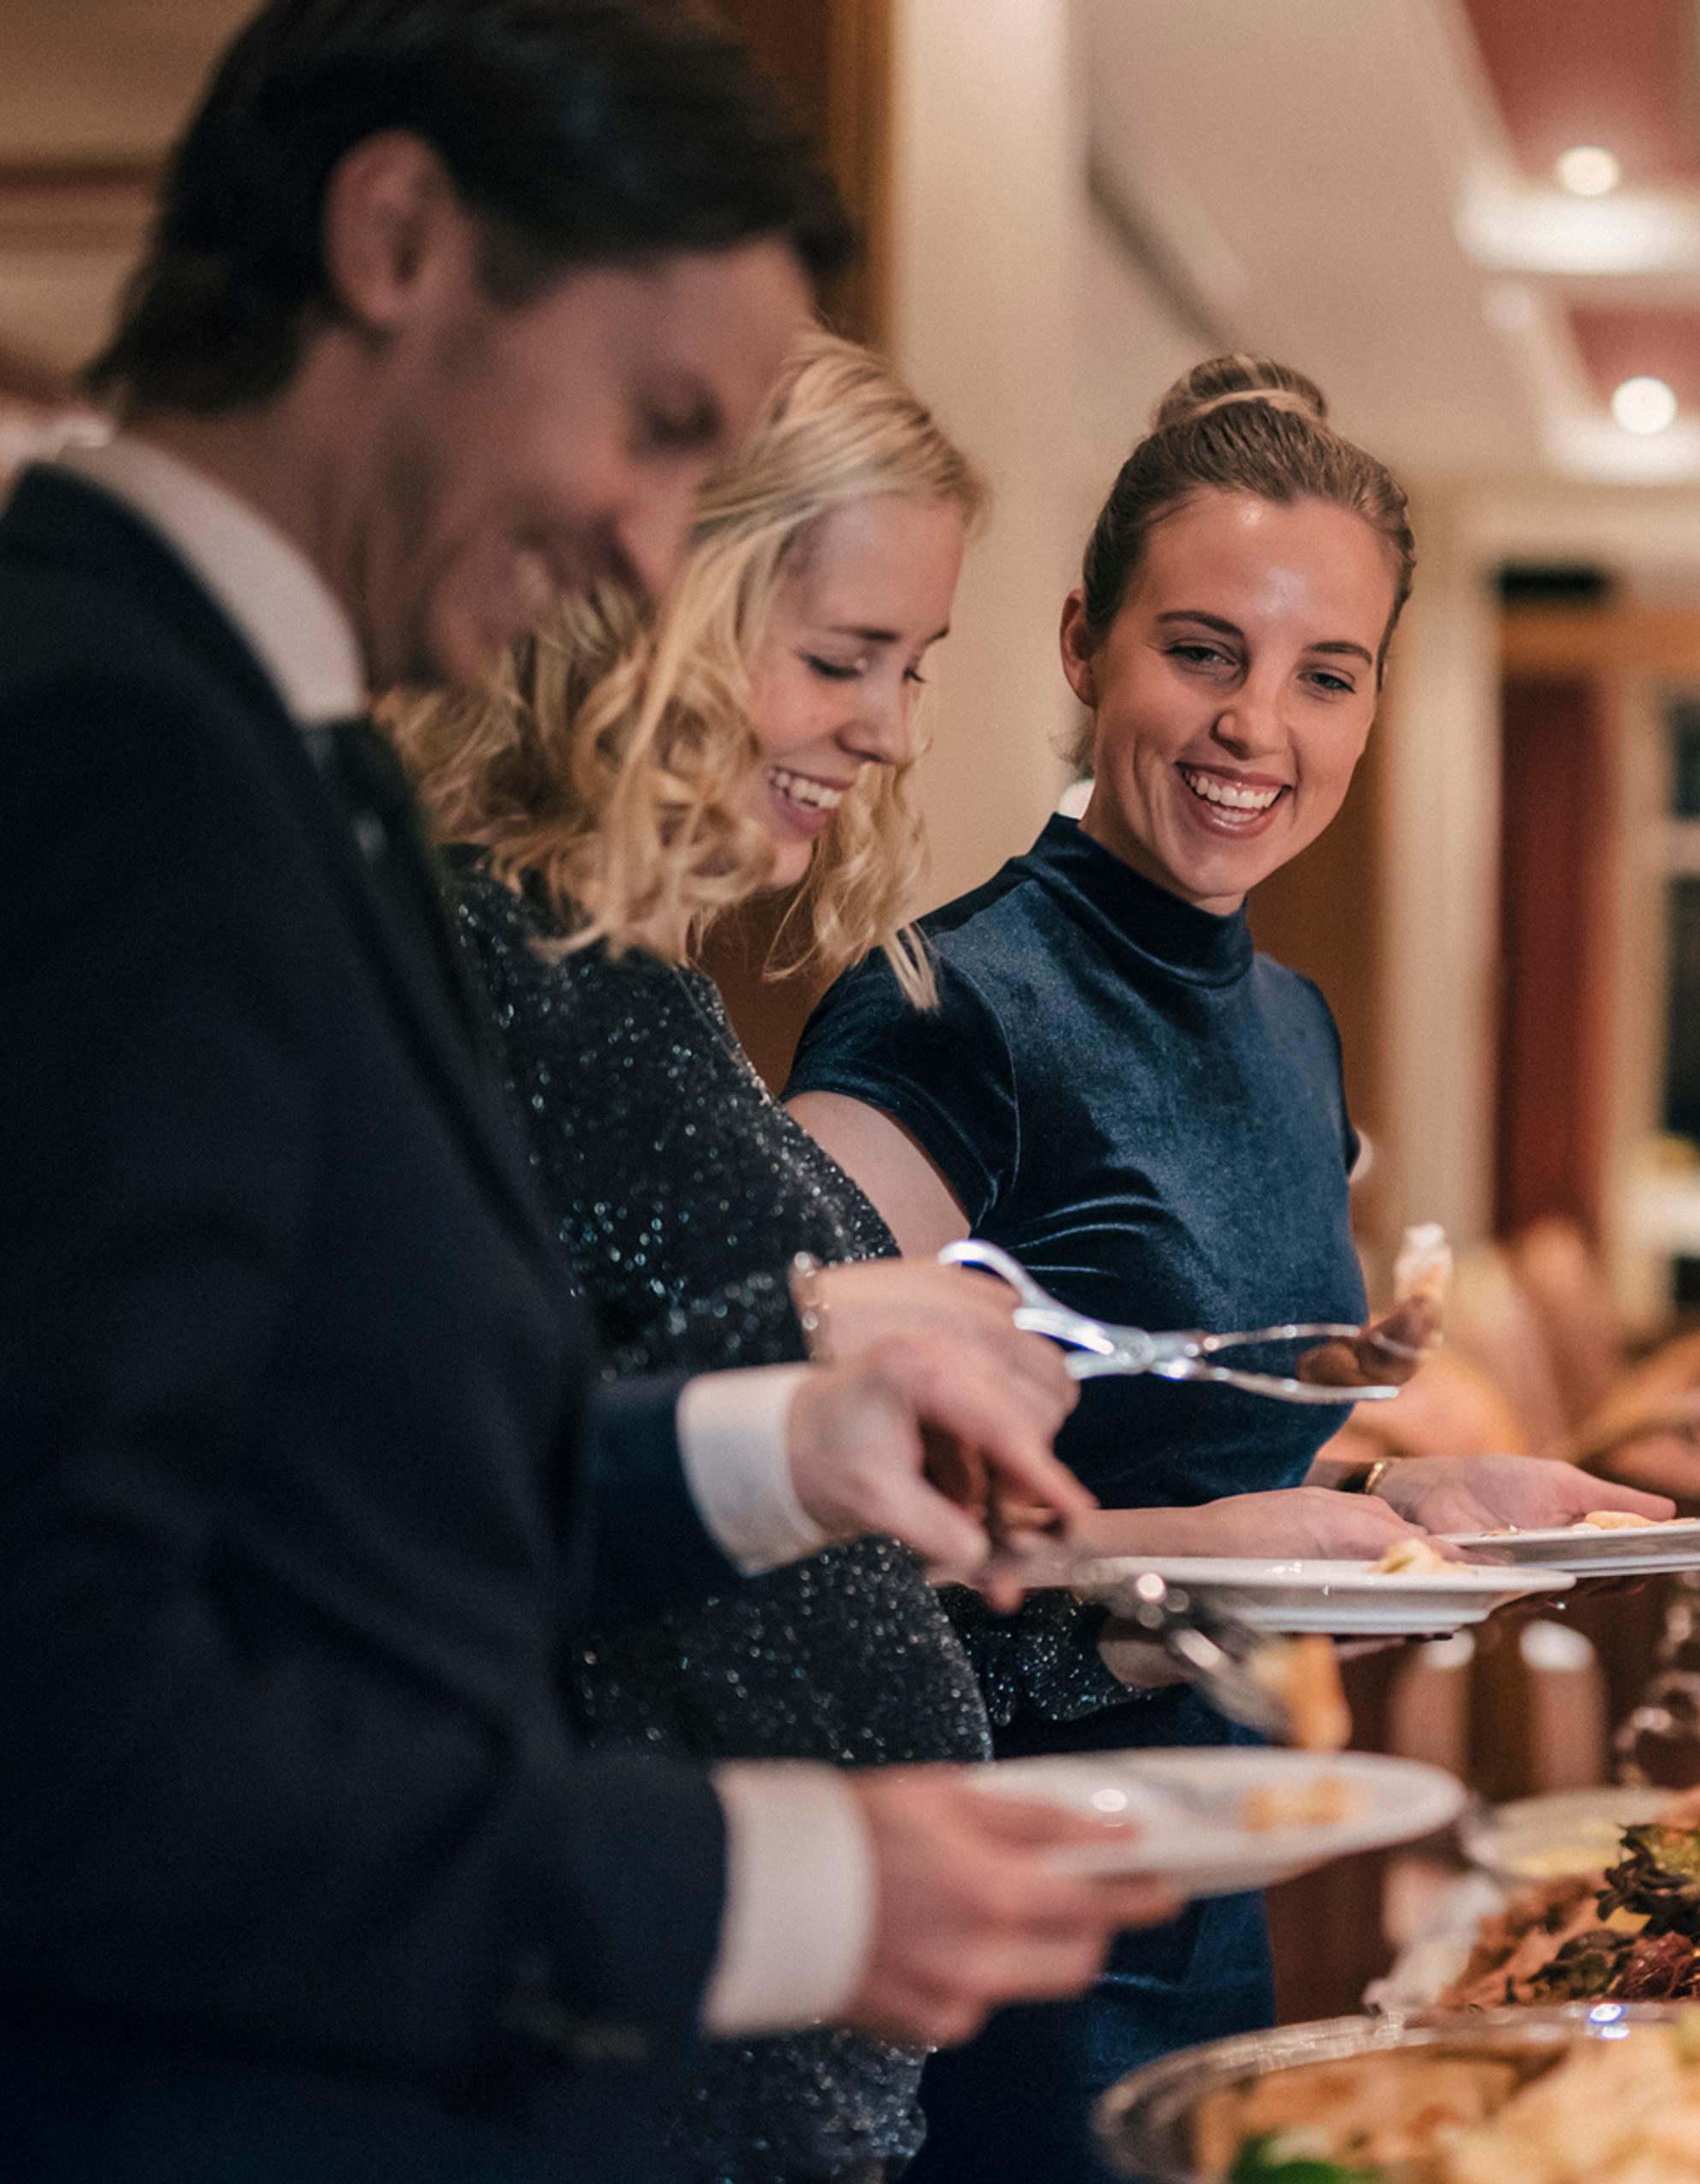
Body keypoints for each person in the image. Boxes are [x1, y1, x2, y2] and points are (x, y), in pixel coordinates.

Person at [0, 8, 1168, 2180]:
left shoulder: (279, 765)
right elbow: (41, 1735)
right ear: (395, 238)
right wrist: (781, 1888)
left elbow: (342, 1493)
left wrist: (773, 1441)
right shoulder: (85, 778)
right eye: (658, 426)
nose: (644, 544)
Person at [786, 354, 1669, 2181]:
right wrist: (1161, 1578)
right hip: (995, 1913)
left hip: (1223, 1867)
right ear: (1081, 643)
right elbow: (790, 1540)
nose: (1256, 725)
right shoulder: (952, 1016)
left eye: (1322, 673)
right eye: (1203, 651)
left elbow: (1194, 1453)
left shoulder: (1292, 1027)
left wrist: (1398, 1488)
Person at [391, 333, 1144, 2181]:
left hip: (793, 2056)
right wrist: (806, 1332)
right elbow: (453, 1509)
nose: (891, 729)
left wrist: (1146, 1614)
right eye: (840, 659)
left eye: (914, 668)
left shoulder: (641, 980)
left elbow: (791, 1540)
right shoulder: (470, 976)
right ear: (649, 608)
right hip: (626, 2062)